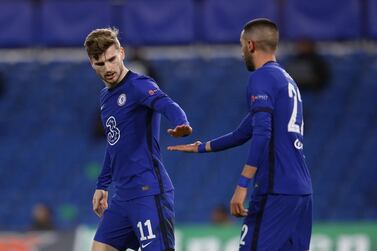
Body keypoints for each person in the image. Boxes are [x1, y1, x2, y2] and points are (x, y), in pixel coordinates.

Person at [168, 18, 312, 250]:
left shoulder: (261, 77)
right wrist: (203, 146)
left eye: (242, 45)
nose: (242, 52)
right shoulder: (287, 81)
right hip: (301, 192)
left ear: (251, 45)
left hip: (275, 190)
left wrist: (242, 184)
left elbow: (262, 134)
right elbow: (243, 132)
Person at [84, 28, 192, 251]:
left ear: (122, 53)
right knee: (100, 248)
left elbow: (167, 104)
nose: (108, 68)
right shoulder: (105, 97)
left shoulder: (139, 85)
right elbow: (114, 143)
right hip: (123, 196)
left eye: (112, 59)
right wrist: (102, 184)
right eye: (100, 64)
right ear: (91, 64)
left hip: (148, 192)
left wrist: (181, 122)